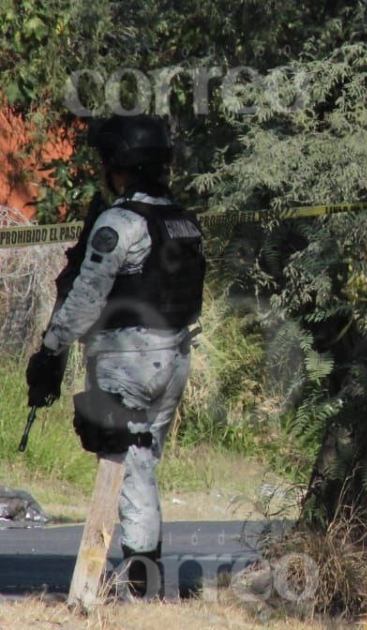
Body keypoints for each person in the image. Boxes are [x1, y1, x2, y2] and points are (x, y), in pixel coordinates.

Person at [24, 114, 206, 598]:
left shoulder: (120, 222)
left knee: (127, 468)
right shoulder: (183, 219)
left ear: (117, 164)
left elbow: (85, 299)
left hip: (126, 358)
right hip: (175, 355)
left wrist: (49, 350)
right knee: (143, 464)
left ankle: (135, 594)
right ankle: (142, 588)